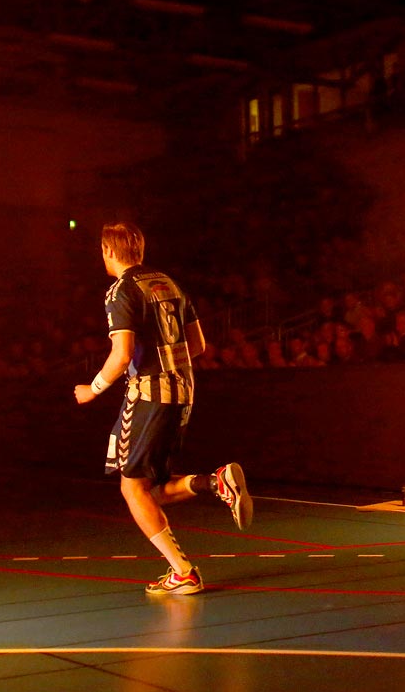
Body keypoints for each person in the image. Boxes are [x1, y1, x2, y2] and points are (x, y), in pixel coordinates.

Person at [74, 222, 251, 596]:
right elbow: (198, 345)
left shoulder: (120, 292)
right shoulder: (169, 284)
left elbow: (121, 355)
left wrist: (93, 389)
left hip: (149, 395)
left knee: (131, 489)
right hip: (183, 391)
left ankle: (184, 572)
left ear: (108, 251)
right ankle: (215, 483)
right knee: (148, 490)